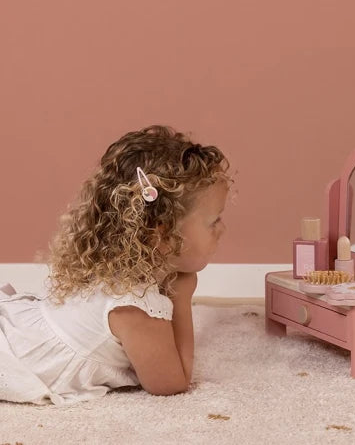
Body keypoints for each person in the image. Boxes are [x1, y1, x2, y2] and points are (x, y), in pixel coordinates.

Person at [0, 125, 231, 406]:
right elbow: (170, 383)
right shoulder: (134, 306)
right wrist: (181, 299)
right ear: (161, 235)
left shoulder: (114, 265)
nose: (222, 229)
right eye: (213, 221)